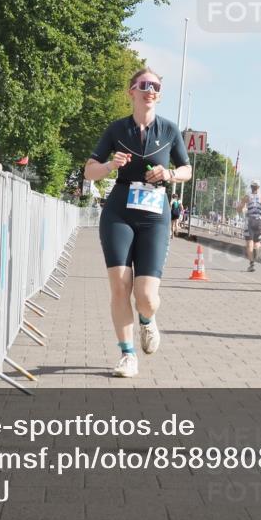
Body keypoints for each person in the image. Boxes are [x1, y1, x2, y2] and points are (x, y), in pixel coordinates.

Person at [83, 68, 192, 378]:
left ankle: (147, 320)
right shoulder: (117, 129)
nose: (150, 90)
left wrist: (169, 174)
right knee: (120, 286)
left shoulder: (170, 130)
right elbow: (89, 171)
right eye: (144, 85)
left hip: (155, 214)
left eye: (156, 85)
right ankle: (127, 355)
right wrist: (108, 165)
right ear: (131, 91)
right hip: (119, 210)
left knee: (145, 296)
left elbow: (186, 169)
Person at [237, 179, 261, 271]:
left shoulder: (247, 197)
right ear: (258, 187)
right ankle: (258, 250)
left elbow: (239, 208)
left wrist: (241, 209)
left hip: (250, 220)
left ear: (251, 187)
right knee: (257, 242)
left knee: (249, 243)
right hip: (259, 221)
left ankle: (251, 264)